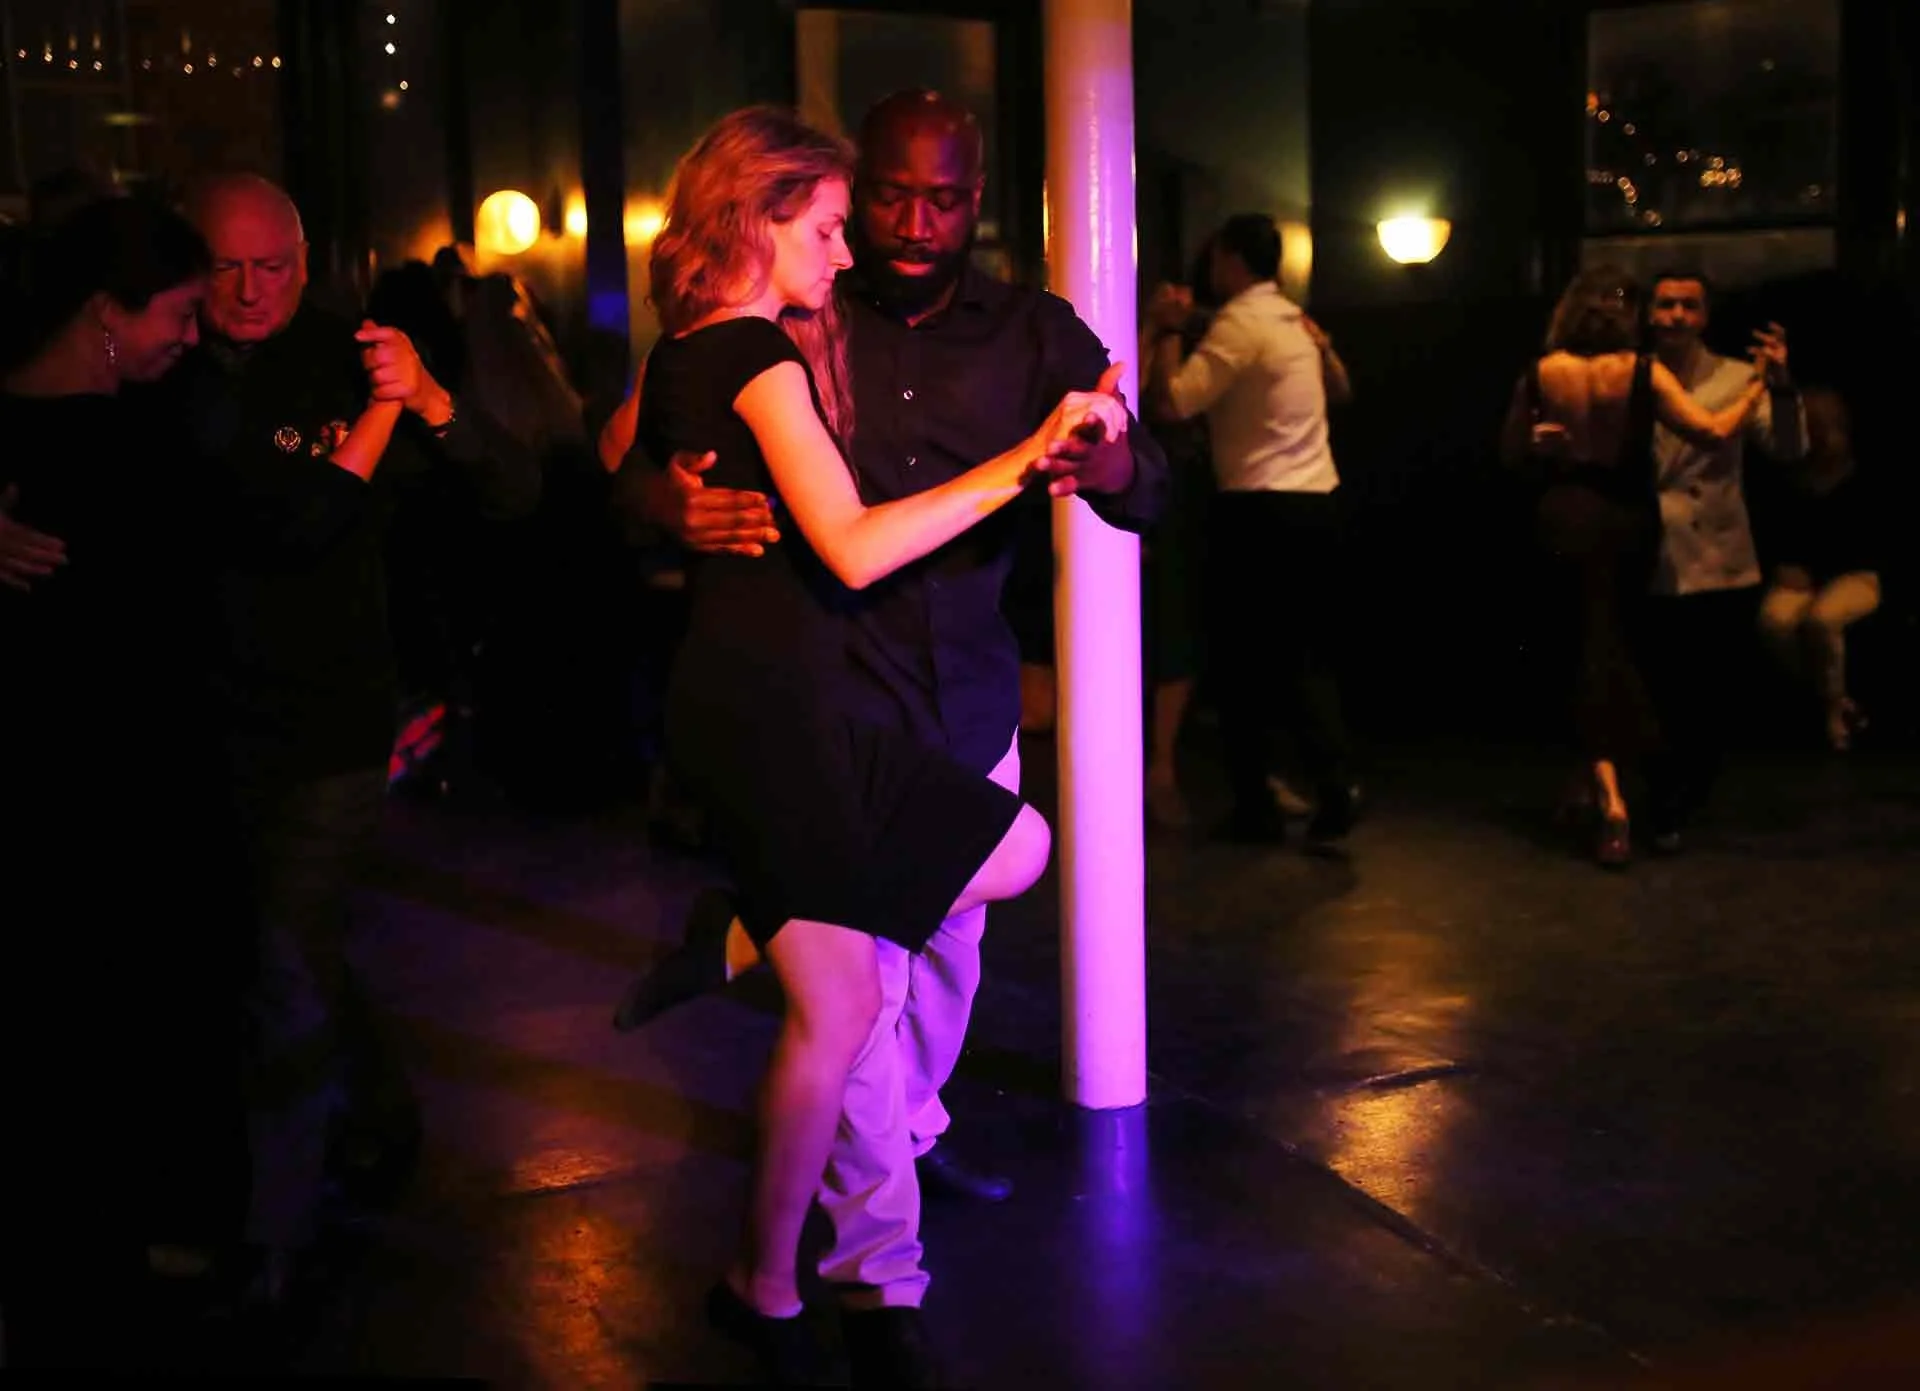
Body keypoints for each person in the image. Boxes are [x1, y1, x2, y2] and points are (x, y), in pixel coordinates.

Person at [609, 91, 1167, 1387]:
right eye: (875, 204)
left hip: (953, 699)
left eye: (944, 198)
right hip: (817, 701)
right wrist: (669, 505)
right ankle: (870, 1278)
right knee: (851, 1008)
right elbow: (645, 466)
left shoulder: (1029, 330)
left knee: (977, 904)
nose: (898, 231)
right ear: (808, 207)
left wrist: (1108, 450)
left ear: (985, 198)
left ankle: (758, 947)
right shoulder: (777, 331)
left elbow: (1147, 482)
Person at [166, 172, 539, 1294]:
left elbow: (512, 487)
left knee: (281, 960)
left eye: (268, 266)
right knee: (270, 947)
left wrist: (420, 399)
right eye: (223, 267)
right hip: (192, 709)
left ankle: (271, 1239)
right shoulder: (161, 358)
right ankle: (379, 1111)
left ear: (304, 257)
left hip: (331, 718)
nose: (246, 290)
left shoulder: (352, 356)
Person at [0, 195, 244, 1365]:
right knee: (127, 1033)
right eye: (181, 312)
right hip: (126, 803)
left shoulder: (53, 442)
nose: (193, 336)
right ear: (105, 312)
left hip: (66, 800)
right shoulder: (140, 451)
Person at [1500, 267, 1767, 866]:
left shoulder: (1541, 374)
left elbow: (1510, 453)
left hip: (1565, 515)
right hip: (1625, 521)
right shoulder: (1643, 372)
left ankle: (1601, 789)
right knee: (1614, 647)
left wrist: (1543, 445)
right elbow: (1712, 431)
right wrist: (1759, 387)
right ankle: (1617, 792)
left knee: (1587, 649)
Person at [1143, 213, 1359, 848]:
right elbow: (1343, 390)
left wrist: (1170, 334)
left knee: (1243, 664)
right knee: (1303, 657)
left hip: (1261, 511)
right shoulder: (1293, 321)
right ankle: (1335, 785)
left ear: (1231, 260)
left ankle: (1258, 808)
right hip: (1318, 500)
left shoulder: (1239, 324)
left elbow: (1173, 403)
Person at [1641, 270, 1804, 849]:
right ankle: (1665, 801)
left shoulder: (1738, 376)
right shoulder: (1633, 375)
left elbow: (1787, 448)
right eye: (1666, 305)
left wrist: (1780, 384)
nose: (1677, 316)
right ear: (1649, 313)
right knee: (1662, 685)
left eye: (1689, 306)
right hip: (1654, 547)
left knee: (1709, 691)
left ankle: (1687, 792)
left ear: (1705, 317)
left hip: (1719, 549)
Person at [1755, 386, 1884, 751]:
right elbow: (1778, 532)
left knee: (1822, 620)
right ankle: (1838, 701)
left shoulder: (1865, 476)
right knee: (1774, 622)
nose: (1823, 433)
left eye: (1829, 424)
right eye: (1814, 424)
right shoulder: (1790, 477)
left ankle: (1831, 713)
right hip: (1802, 575)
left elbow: (1873, 541)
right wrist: (1786, 566)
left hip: (1856, 573)